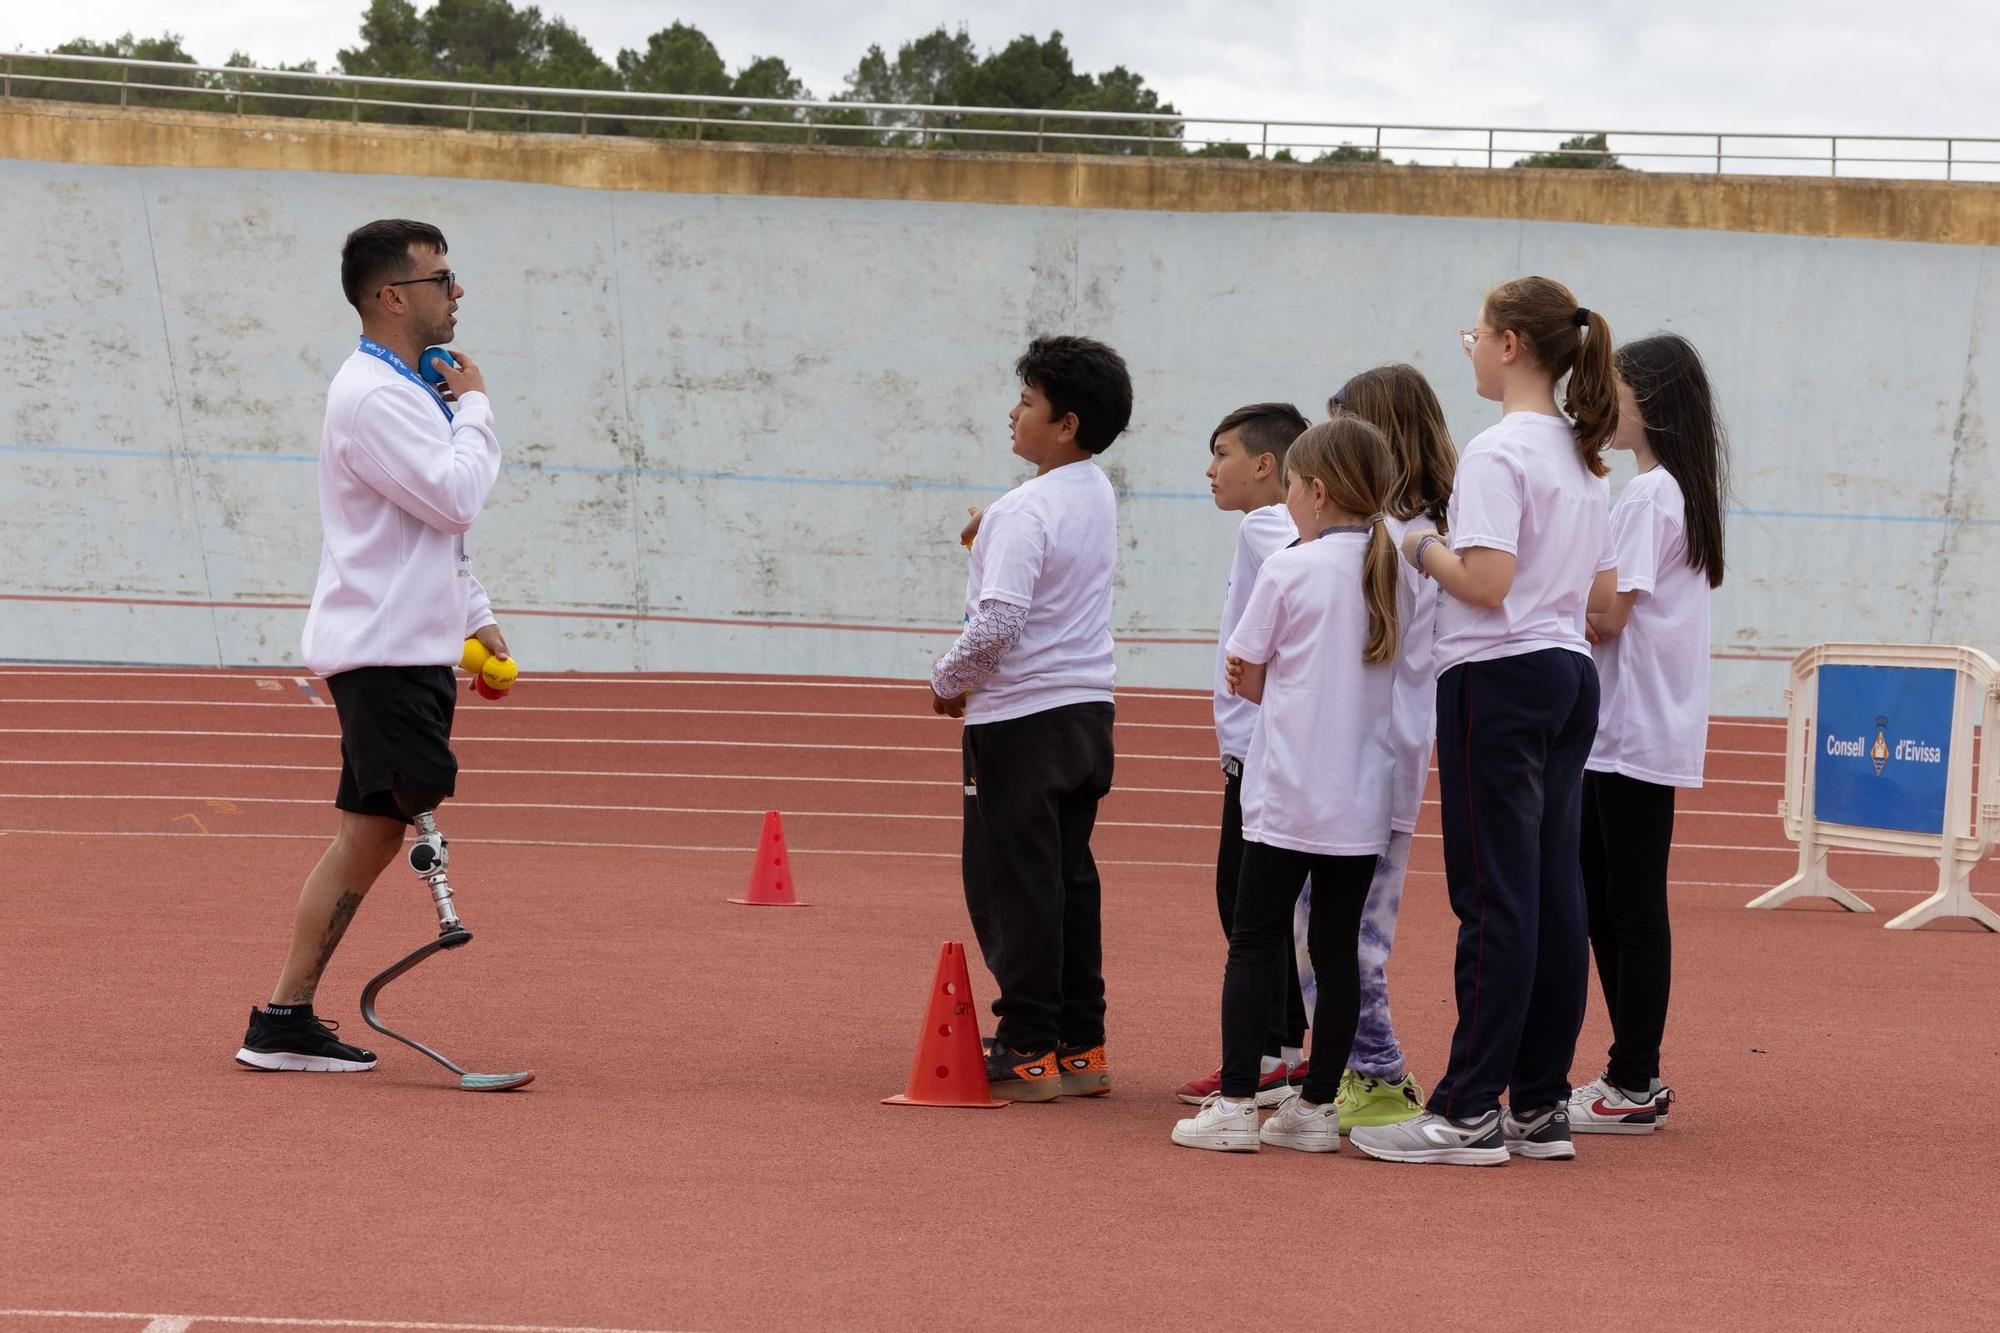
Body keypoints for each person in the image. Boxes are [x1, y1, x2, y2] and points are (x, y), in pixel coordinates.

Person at [1350, 276, 1616, 1166]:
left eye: (1476, 332)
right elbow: (1603, 596)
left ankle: (1468, 1107)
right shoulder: (1585, 460)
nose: (1468, 345)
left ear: (1509, 346)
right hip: (1569, 674)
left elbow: (1487, 583)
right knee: (1551, 893)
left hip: (1497, 677)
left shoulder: (1500, 452)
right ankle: (1539, 1102)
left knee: (1495, 897)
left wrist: (1418, 542)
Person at [234, 219, 505, 1073]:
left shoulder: (402, 389)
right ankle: (282, 1014)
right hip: (385, 653)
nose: (456, 292)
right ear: (392, 296)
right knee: (387, 823)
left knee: (372, 831)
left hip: (406, 645)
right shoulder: (377, 396)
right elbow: (455, 496)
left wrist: (474, 611)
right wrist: (478, 405)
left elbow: (428, 534)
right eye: (442, 278)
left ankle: (284, 1014)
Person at [1172, 417, 1401, 1153]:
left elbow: (1246, 671)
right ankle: (1315, 1106)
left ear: (1317, 490)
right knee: (1336, 955)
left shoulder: (1289, 568)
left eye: (1295, 486)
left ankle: (1238, 1102)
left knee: (1254, 940)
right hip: (1361, 795)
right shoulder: (1395, 569)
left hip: (1285, 789)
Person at [931, 335, 1131, 1101]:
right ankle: (1082, 1044)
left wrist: (946, 679)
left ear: (1067, 423)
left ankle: (1024, 1046)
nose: (1013, 413)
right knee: (1069, 876)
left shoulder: (1024, 508)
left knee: (1012, 883)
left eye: (1028, 401)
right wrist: (998, 524)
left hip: (1020, 719)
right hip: (1087, 712)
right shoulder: (1093, 490)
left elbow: (999, 624)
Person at [1572, 333, 1728, 1133]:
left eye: (1616, 391)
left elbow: (1605, 614)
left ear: (1652, 402)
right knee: (1610, 896)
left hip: (1628, 725)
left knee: (1625, 902)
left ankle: (1635, 1075)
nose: (1603, 404)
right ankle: (1630, 1067)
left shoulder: (1647, 497)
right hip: (1636, 725)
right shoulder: (1675, 493)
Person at [1313, 364, 1457, 1130]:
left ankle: (1379, 1073)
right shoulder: (1410, 533)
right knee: (1331, 933)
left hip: (1375, 760)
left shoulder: (1404, 540)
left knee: (1342, 937)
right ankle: (1358, 1070)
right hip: (1367, 755)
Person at [1175, 402, 1311, 1110]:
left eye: (1221, 452)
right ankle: (1282, 1049)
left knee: (1245, 901)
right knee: (1263, 904)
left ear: (1266, 465)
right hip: (1259, 741)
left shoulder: (1269, 524)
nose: (1209, 468)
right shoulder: (1268, 527)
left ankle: (1266, 1054)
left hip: (1261, 746)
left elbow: (1305, 577)